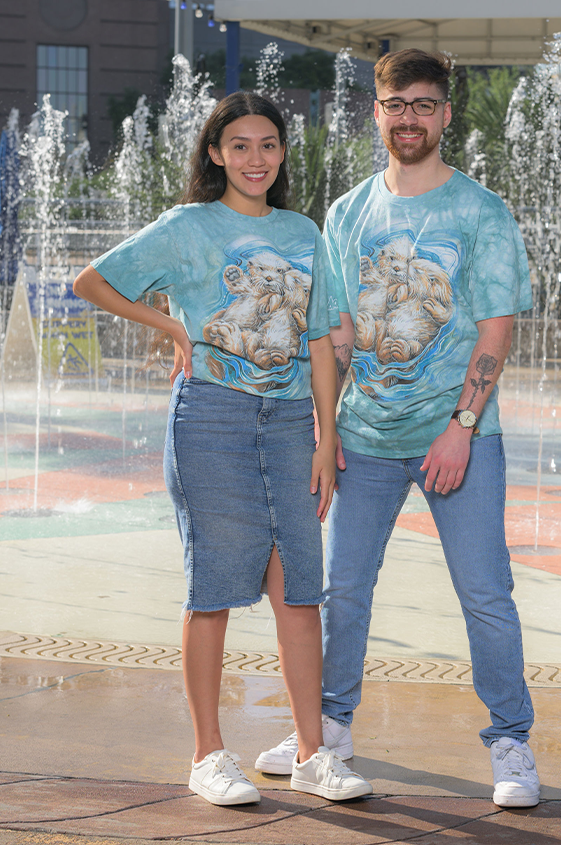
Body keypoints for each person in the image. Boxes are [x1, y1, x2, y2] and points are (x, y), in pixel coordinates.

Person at [256, 49, 540, 808]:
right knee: (341, 592)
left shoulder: (479, 211)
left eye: (423, 103)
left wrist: (462, 424)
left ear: (446, 115)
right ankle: (330, 730)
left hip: (459, 437)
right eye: (396, 104)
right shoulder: (348, 212)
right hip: (366, 438)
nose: (409, 117)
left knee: (485, 593)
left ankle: (511, 742)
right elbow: (338, 333)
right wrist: (325, 426)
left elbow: (496, 328)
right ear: (376, 114)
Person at [73, 92, 372, 806]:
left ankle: (311, 753)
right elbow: (91, 281)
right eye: (238, 145)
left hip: (290, 422)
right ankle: (208, 753)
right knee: (210, 588)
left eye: (267, 144)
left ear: (281, 154)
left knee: (301, 590)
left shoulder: (305, 232)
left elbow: (322, 344)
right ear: (215, 153)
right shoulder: (187, 226)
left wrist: (327, 439)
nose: (255, 158)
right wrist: (172, 327)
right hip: (209, 418)